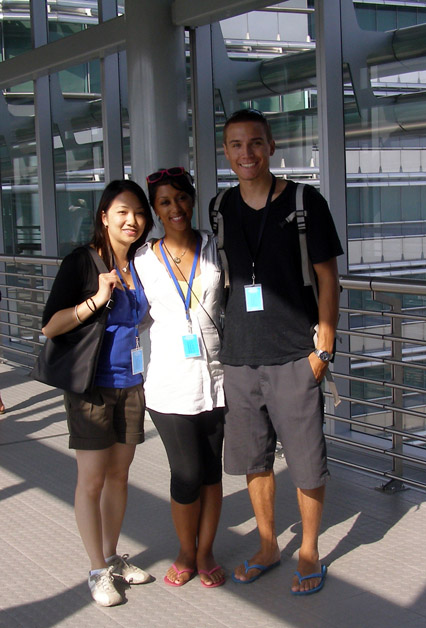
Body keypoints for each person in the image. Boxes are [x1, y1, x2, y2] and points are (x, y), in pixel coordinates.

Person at [216, 109, 343, 595]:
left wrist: (324, 344)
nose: (245, 153)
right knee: (255, 460)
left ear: (270, 146)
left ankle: (308, 549)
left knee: (308, 460)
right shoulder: (220, 206)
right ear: (226, 152)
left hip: (295, 354)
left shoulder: (304, 199)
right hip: (241, 355)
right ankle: (268, 545)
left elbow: (328, 276)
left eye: (254, 143)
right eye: (235, 145)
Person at [41, 179, 155, 607]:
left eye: (139, 214)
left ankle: (111, 555)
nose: (132, 220)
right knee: (91, 480)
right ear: (104, 217)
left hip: (131, 383)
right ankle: (96, 570)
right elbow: (50, 325)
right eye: (122, 212)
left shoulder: (142, 263)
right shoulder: (83, 263)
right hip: (91, 385)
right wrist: (96, 300)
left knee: (119, 475)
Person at [134, 167, 226, 589]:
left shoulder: (215, 247)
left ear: (193, 199)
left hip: (217, 378)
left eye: (182, 199)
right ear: (155, 210)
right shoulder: (142, 261)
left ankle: (205, 552)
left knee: (211, 472)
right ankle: (185, 550)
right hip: (169, 384)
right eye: (165, 202)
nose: (176, 208)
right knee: (186, 472)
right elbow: (128, 313)